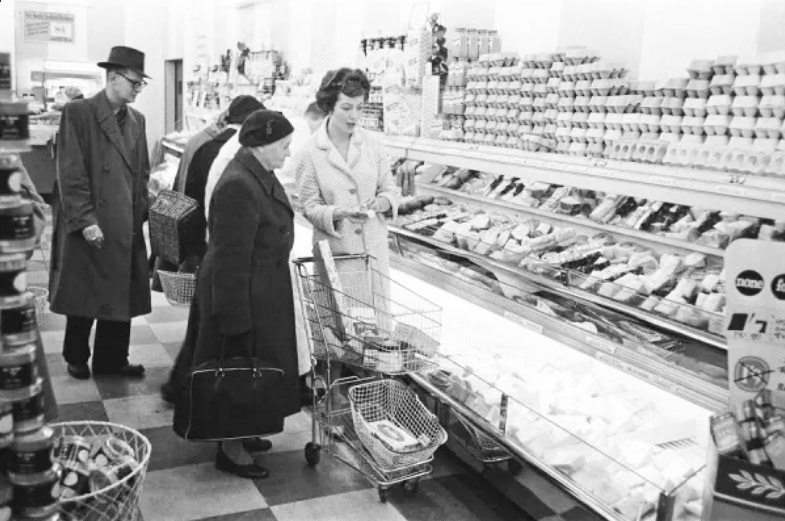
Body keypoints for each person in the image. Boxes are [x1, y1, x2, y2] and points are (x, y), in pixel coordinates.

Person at [186, 110, 299, 479]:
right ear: (262, 145)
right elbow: (229, 260)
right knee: (237, 365)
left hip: (261, 291)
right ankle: (230, 450)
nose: (287, 153)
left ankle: (246, 431)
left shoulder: (256, 173)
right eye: (283, 146)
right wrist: (234, 317)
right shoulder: (239, 184)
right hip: (243, 295)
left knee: (254, 366)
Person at [48, 46, 152, 380]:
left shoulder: (138, 120)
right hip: (91, 220)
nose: (137, 90)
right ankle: (76, 354)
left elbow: (142, 172)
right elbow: (70, 172)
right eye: (134, 82)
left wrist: (143, 211)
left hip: (125, 223)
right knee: (86, 290)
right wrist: (85, 220)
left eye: (141, 85)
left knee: (120, 294)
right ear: (112, 77)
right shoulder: (79, 113)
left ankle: (112, 359)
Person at [160, 94, 264, 405]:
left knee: (200, 322)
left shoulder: (206, 144)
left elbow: (189, 198)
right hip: (219, 246)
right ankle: (191, 390)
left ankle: (180, 385)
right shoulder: (234, 153)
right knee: (209, 327)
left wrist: (192, 247)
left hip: (204, 243)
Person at [295, 67, 399, 284]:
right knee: (339, 316)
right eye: (346, 107)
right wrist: (339, 212)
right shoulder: (310, 152)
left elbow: (390, 190)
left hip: (374, 254)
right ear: (329, 106)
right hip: (336, 256)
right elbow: (309, 207)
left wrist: (381, 203)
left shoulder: (374, 145)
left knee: (375, 316)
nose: (354, 115)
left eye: (360, 108)